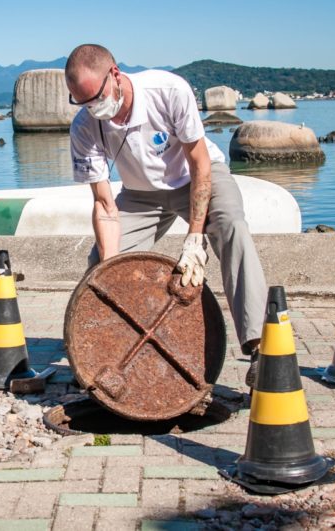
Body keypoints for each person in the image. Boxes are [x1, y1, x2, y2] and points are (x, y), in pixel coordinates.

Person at [65, 44, 267, 386]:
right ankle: (102, 353)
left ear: (115, 74)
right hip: (141, 195)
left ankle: (260, 345)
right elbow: (104, 205)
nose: (92, 108)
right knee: (100, 263)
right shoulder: (85, 126)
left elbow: (200, 164)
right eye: (82, 102)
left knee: (232, 227)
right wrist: (113, 271)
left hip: (195, 177)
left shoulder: (168, 91)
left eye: (96, 98)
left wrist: (195, 238)